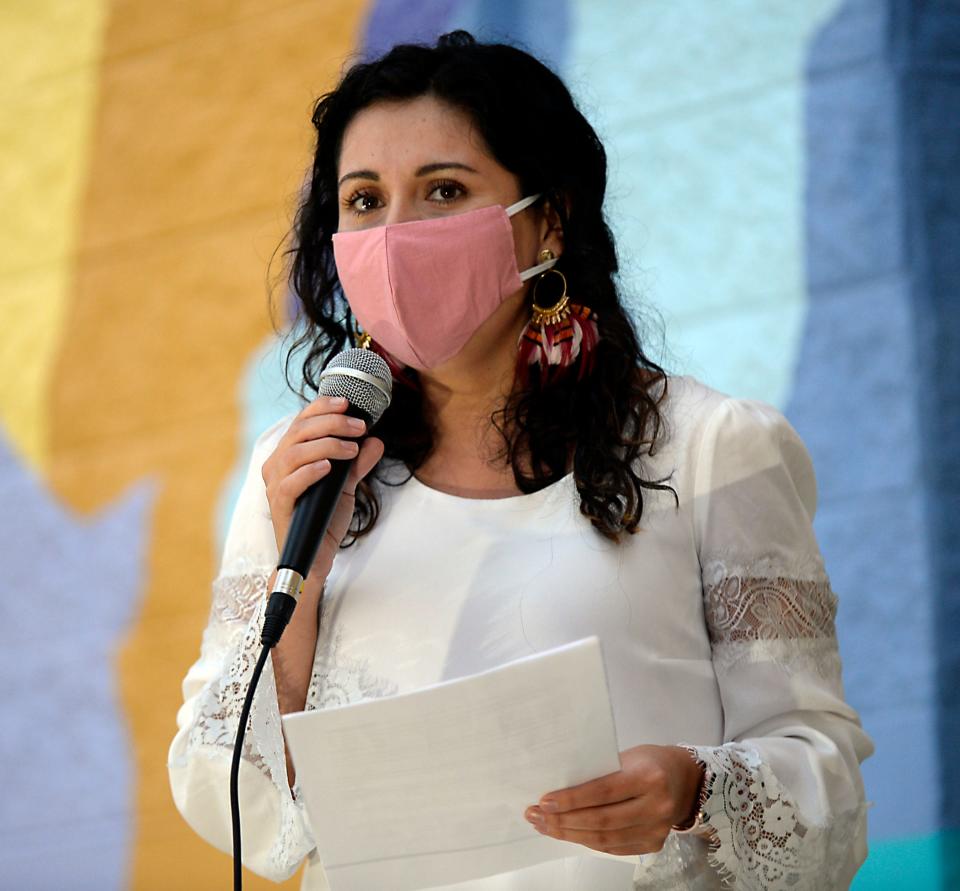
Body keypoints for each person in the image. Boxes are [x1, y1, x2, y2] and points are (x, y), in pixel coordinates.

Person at [168, 30, 873, 890]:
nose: (393, 235)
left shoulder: (712, 446)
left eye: (443, 190)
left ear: (548, 220)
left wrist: (695, 788)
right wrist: (303, 580)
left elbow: (826, 793)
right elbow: (234, 807)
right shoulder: (303, 469)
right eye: (362, 200)